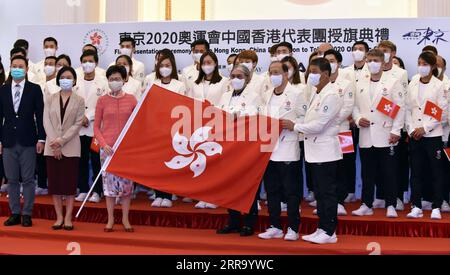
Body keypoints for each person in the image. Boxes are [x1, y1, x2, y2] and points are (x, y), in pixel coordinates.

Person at [281, 58, 343, 244]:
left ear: (325, 73)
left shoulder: (331, 94)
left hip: (325, 151)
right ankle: (322, 228)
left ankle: (330, 231)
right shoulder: (318, 93)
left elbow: (319, 124)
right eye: (309, 71)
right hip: (314, 151)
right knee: (320, 193)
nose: (310, 75)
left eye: (314, 71)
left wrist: (295, 126)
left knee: (327, 193)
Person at [351, 49, 405, 218]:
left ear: (383, 62)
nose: (372, 63)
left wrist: (396, 130)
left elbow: (400, 107)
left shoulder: (393, 82)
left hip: (386, 134)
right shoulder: (360, 82)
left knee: (389, 172)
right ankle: (366, 204)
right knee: (367, 173)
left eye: (375, 60)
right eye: (369, 60)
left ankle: (391, 204)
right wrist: (359, 119)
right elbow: (355, 106)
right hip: (366, 135)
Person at [257, 61, 304, 241]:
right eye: (271, 72)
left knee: (291, 191)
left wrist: (293, 125)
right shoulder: (267, 94)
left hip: (288, 148)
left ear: (286, 74)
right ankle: (275, 225)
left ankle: (293, 227)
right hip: (270, 149)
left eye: (277, 72)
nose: (273, 75)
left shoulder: (297, 93)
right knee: (272, 190)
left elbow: (304, 117)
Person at [216, 64, 262, 237]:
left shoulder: (255, 96)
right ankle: (233, 221)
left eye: (240, 76)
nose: (235, 79)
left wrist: (237, 117)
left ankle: (249, 222)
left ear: (248, 78)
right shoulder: (225, 95)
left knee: (248, 184)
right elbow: (217, 116)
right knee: (230, 184)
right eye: (233, 75)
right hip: (227, 147)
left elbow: (255, 117)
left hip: (246, 147)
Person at [0, 55, 45, 228]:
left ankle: (27, 213)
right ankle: (15, 213)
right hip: (8, 141)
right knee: (11, 179)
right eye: (14, 66)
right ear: (10, 68)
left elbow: (40, 116)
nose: (17, 68)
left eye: (20, 66)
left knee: (27, 179)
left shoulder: (34, 89)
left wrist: (41, 138)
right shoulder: (2, 90)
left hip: (28, 140)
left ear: (26, 69)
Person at [94, 65, 137, 232]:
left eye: (118, 79)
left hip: (126, 151)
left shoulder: (132, 99)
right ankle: (110, 219)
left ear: (124, 80)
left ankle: (126, 220)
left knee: (126, 188)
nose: (114, 82)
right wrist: (104, 145)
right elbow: (96, 127)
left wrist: (130, 144)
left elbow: (137, 124)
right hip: (107, 150)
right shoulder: (102, 100)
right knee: (109, 187)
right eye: (111, 79)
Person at [405, 51, 448, 220]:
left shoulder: (439, 86)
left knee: (436, 171)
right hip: (415, 135)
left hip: (432, 135)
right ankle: (416, 205)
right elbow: (407, 108)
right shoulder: (413, 82)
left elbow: (441, 113)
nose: (421, 67)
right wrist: (411, 129)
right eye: (419, 63)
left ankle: (436, 206)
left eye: (425, 64)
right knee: (416, 171)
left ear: (432, 67)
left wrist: (425, 128)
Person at [44, 66, 85, 230]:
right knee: (55, 184)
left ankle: (68, 218)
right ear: (58, 79)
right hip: (51, 146)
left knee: (69, 185)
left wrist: (61, 141)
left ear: (74, 80)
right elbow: (46, 120)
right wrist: (55, 142)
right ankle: (58, 217)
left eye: (69, 77)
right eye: (63, 77)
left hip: (71, 146)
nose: (66, 79)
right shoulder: (50, 98)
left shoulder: (80, 100)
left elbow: (77, 124)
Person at [148, 54, 186, 208]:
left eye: (168, 65)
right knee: (157, 164)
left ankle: (168, 195)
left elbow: (182, 107)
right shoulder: (152, 83)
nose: (165, 68)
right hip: (156, 129)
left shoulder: (179, 85)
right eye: (162, 65)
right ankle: (158, 194)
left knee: (170, 164)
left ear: (173, 67)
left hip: (173, 129)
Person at [377, 40, 409, 209]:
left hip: (395, 124)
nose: (383, 53)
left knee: (395, 164)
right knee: (378, 164)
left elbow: (401, 100)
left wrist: (396, 125)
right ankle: (381, 195)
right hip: (376, 125)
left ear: (393, 52)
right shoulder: (373, 71)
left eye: (386, 50)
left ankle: (396, 197)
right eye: (380, 50)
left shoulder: (401, 73)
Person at [323, 49, 355, 216]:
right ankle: (327, 201)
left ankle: (340, 201)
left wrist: (331, 121)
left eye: (332, 60)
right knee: (328, 168)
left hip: (343, 131)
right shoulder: (320, 82)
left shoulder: (347, 82)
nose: (329, 63)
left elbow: (348, 106)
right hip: (323, 132)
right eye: (326, 60)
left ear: (339, 63)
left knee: (344, 166)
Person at [74, 50, 108, 204]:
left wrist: (89, 116)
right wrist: (81, 117)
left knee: (96, 161)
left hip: (96, 130)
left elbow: (103, 104)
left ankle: (97, 190)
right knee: (81, 161)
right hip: (79, 130)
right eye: (84, 61)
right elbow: (72, 102)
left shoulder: (103, 83)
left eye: (90, 61)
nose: (87, 64)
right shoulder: (76, 82)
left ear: (96, 63)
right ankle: (82, 189)